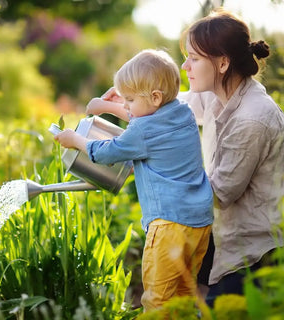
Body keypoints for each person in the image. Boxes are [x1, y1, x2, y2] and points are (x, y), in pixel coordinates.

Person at [86, 9, 284, 307]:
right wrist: (128, 102)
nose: (184, 65)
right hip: (214, 230)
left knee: (192, 306)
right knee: (180, 299)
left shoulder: (252, 119)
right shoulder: (218, 92)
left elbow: (220, 194)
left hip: (251, 249)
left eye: (193, 58)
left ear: (222, 63)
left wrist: (150, 163)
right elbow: (171, 110)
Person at [54, 49, 213, 311]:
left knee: (157, 300)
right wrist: (108, 105)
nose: (125, 105)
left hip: (169, 225)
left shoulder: (141, 130)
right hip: (199, 222)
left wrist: (75, 140)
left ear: (154, 97)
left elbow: (105, 152)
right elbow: (146, 115)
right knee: (184, 294)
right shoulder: (182, 111)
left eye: (129, 99)